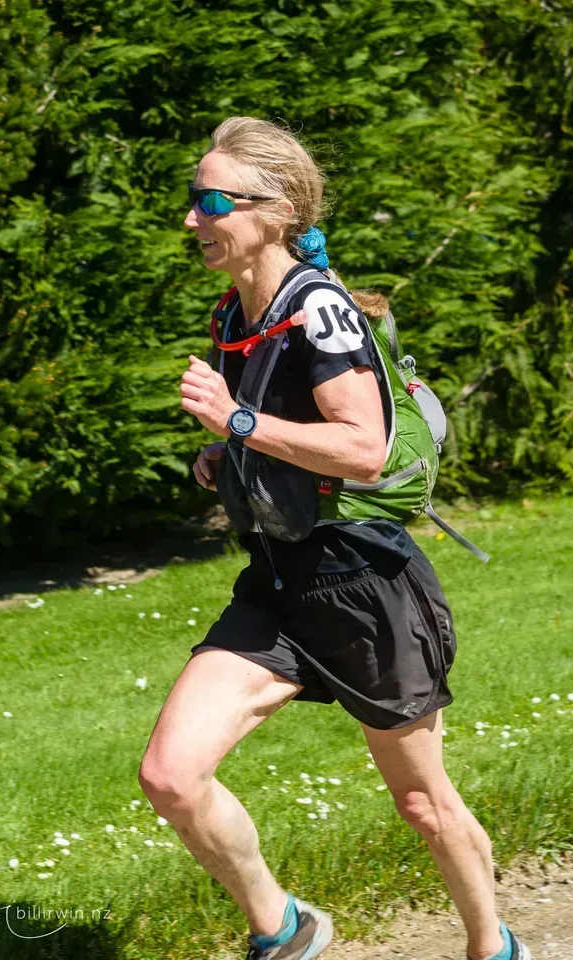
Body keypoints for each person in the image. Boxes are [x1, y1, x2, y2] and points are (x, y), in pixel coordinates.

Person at [138, 117, 532, 960]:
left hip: (362, 586)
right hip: (278, 583)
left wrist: (237, 418)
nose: (192, 220)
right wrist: (229, 450)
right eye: (193, 199)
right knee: (170, 775)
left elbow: (365, 449)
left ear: (275, 212)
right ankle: (284, 926)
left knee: (423, 804)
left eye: (211, 201)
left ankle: (491, 947)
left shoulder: (320, 311)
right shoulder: (236, 315)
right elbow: (285, 434)